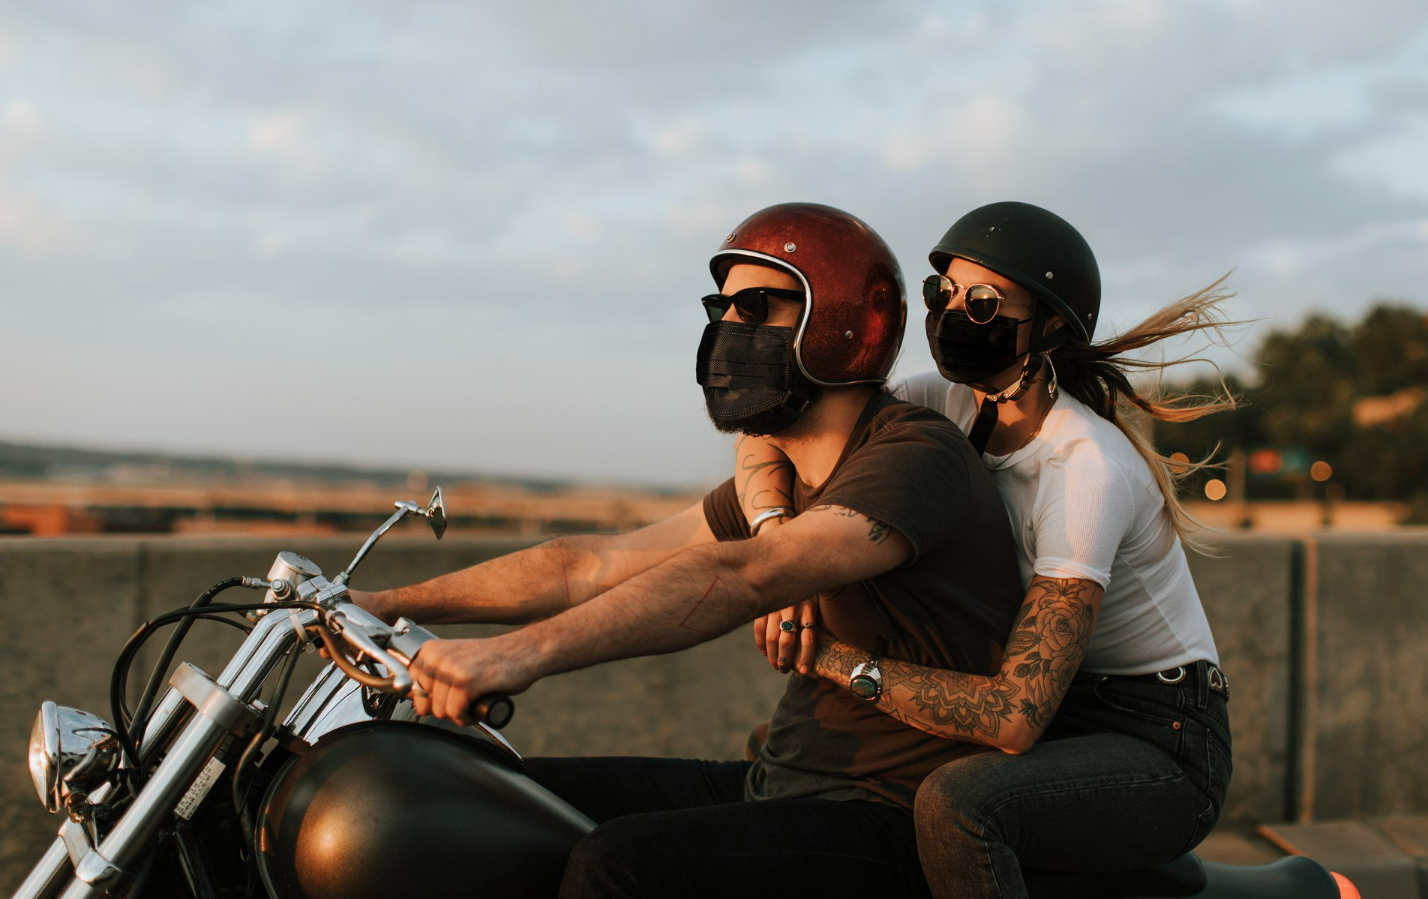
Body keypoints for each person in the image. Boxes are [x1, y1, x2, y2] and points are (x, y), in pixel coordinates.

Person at [348, 202, 1025, 898]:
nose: (727, 329)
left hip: (885, 817)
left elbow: (747, 576)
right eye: (721, 308)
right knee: (475, 797)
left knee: (621, 863)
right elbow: (591, 565)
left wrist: (515, 655)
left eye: (757, 307)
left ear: (840, 319)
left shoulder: (913, 455)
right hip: (777, 782)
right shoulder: (782, 482)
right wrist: (378, 605)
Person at [737, 201, 1236, 898]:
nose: (950, 315)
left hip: (1158, 737)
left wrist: (836, 661)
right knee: (791, 759)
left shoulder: (1084, 466)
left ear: (1053, 324)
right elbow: (776, 419)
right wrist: (777, 546)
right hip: (1060, 710)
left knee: (959, 807)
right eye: (942, 295)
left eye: (983, 303)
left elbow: (1013, 715)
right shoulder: (942, 403)